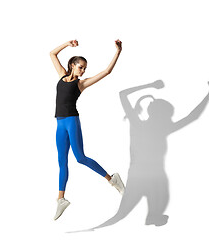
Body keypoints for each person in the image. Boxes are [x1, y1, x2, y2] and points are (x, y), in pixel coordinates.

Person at [50, 39, 125, 220]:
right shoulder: (61, 75)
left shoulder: (80, 84)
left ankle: (112, 179)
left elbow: (107, 71)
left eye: (84, 68)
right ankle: (61, 199)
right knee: (62, 162)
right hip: (59, 123)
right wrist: (67, 44)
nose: (83, 71)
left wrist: (118, 51)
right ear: (72, 65)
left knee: (80, 157)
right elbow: (52, 54)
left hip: (71, 121)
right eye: (80, 67)